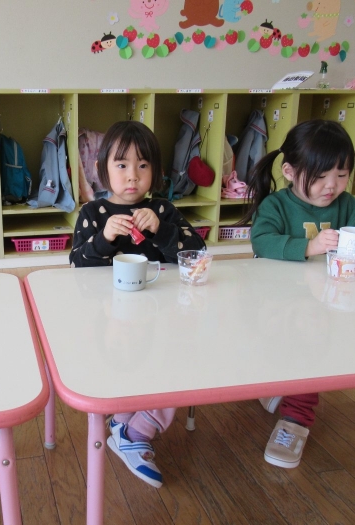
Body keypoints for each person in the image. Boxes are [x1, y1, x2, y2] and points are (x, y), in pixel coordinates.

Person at [241, 119, 355, 469]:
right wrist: (308, 246)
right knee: (274, 352)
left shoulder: (346, 205)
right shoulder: (276, 205)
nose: (332, 186)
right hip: (278, 302)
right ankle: (278, 388)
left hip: (324, 307)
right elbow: (262, 241)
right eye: (320, 176)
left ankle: (295, 421)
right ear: (289, 172)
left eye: (342, 174)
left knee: (311, 358)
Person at [70, 120, 206, 488]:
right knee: (122, 363)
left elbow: (196, 252)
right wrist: (104, 238)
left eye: (143, 165)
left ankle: (135, 430)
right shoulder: (93, 214)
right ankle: (125, 419)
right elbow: (77, 265)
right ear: (101, 170)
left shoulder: (162, 209)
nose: (132, 175)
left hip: (162, 314)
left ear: (156, 171)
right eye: (122, 165)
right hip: (107, 317)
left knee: (174, 361)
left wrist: (161, 230)